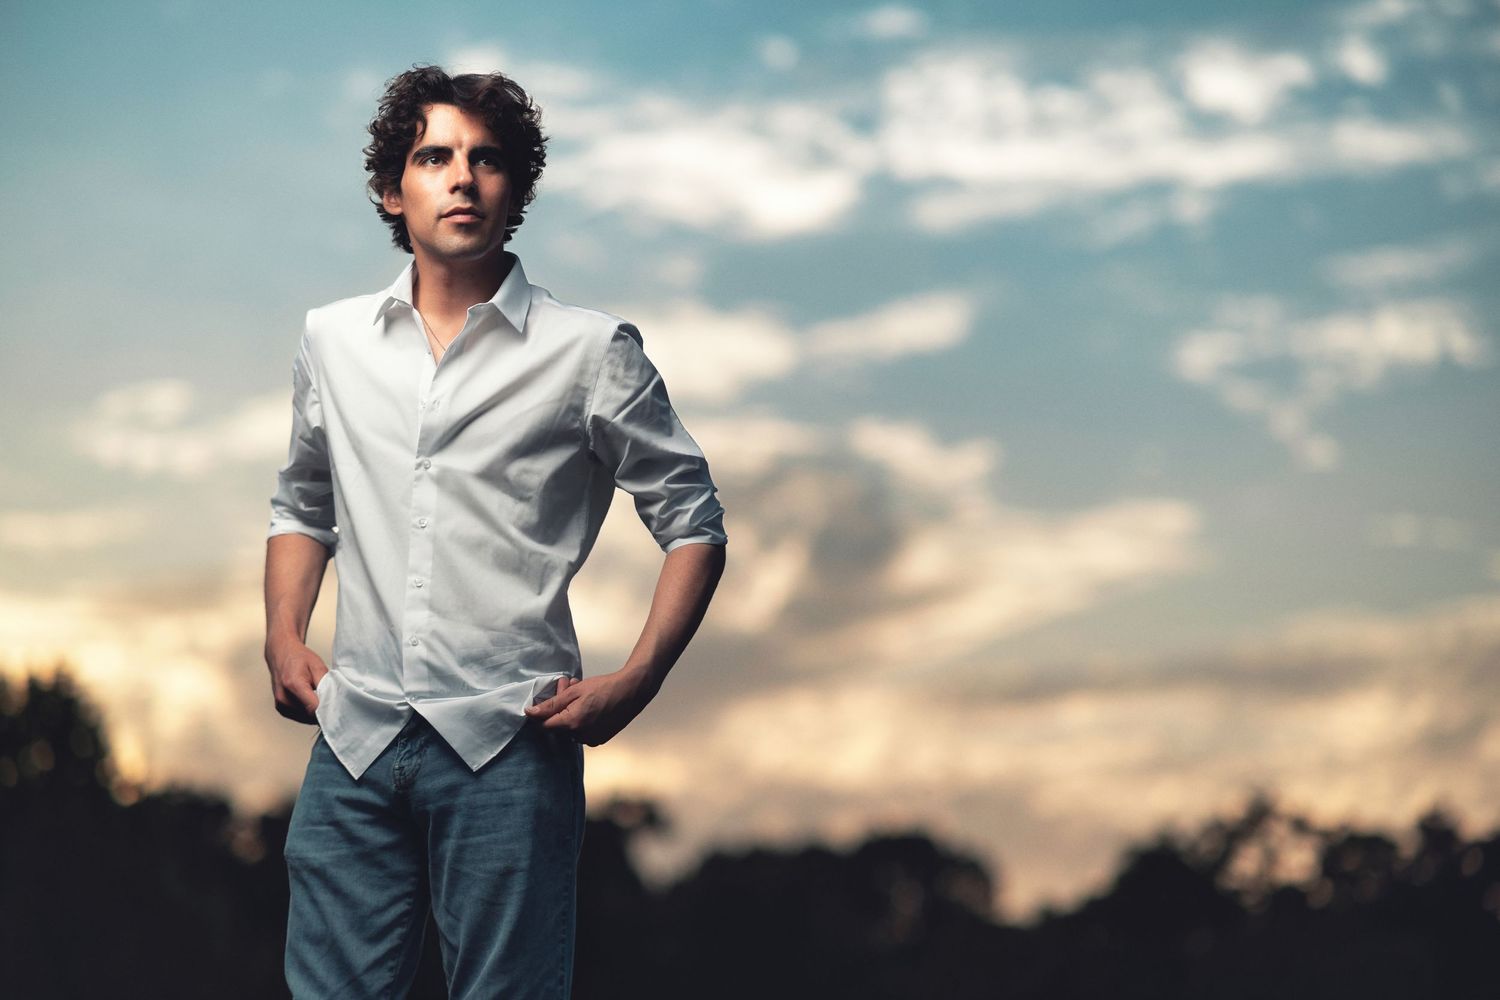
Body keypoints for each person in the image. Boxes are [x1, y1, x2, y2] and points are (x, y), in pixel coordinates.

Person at [263, 63, 728, 999]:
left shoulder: (591, 353)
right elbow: (304, 503)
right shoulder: (333, 341)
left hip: (509, 747)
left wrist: (639, 679)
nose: (462, 177)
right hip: (354, 742)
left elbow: (695, 523)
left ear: (517, 188)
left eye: (487, 159)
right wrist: (281, 635)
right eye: (434, 156)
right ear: (394, 189)